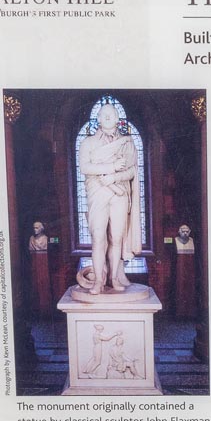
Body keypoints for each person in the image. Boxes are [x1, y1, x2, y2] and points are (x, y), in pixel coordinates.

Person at [77, 104, 141, 291]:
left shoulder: (127, 143)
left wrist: (113, 178)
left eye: (111, 114)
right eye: (103, 114)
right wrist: (111, 168)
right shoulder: (88, 143)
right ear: (98, 118)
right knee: (98, 238)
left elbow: (131, 171)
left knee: (117, 238)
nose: (107, 116)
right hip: (98, 193)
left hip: (119, 193)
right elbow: (85, 168)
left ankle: (114, 278)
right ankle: (98, 281)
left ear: (117, 118)